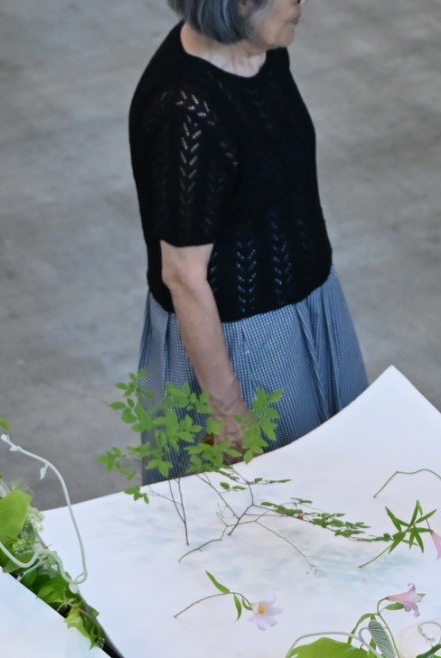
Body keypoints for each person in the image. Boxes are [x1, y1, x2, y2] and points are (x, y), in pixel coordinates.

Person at [128, 0, 368, 466]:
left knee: (337, 483)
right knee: (276, 518)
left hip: (310, 306)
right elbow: (183, 276)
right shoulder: (186, 110)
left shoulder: (264, 51)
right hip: (243, 341)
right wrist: (229, 412)